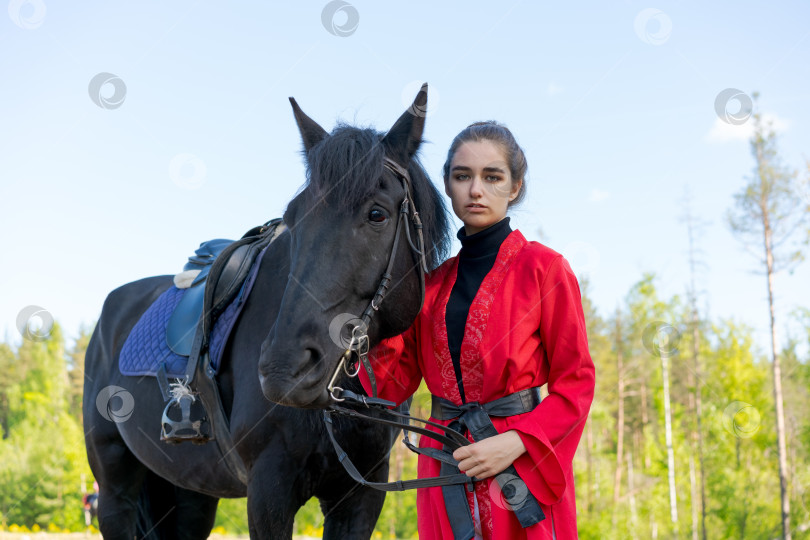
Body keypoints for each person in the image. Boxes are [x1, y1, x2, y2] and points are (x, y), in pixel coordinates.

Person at [359, 121, 595, 540]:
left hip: (521, 461)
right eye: (462, 176)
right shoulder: (428, 285)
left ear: (515, 187)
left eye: (492, 176)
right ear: (447, 187)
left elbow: (576, 382)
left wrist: (519, 441)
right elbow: (391, 385)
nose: (475, 190)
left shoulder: (546, 269)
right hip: (444, 459)